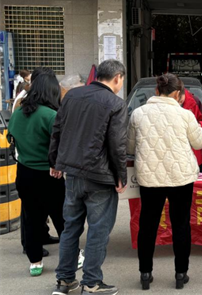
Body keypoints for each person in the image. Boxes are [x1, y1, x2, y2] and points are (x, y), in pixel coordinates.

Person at [49, 60, 128, 295]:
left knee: (70, 228)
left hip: (72, 173)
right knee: (98, 231)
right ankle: (91, 283)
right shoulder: (116, 103)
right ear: (117, 77)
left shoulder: (72, 96)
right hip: (100, 176)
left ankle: (64, 281)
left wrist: (54, 162)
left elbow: (57, 130)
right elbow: (117, 144)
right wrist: (121, 176)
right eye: (122, 80)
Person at [127, 74, 202, 290]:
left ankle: (145, 274)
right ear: (178, 94)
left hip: (149, 178)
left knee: (148, 225)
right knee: (181, 224)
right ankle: (181, 273)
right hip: (181, 177)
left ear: (156, 91)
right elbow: (200, 142)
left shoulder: (138, 113)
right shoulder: (185, 115)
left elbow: (130, 147)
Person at [8, 74, 64, 277]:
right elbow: (60, 144)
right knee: (62, 219)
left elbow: (12, 138)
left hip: (24, 173)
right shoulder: (50, 115)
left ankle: (35, 263)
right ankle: (72, 256)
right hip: (49, 174)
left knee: (31, 219)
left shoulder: (18, 113)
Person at [178, 87, 202, 168]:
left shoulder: (194, 101)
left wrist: (199, 126)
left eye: (180, 97)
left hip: (195, 155)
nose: (179, 101)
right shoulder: (164, 105)